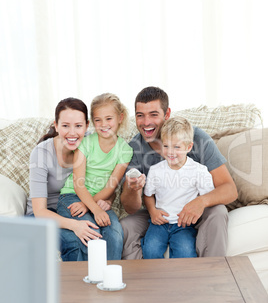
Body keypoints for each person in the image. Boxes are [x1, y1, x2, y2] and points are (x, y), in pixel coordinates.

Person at [120, 86, 238, 259]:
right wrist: (133, 189)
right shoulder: (134, 148)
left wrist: (201, 202)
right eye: (140, 115)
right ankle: (143, 280)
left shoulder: (195, 138)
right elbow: (131, 208)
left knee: (218, 212)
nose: (146, 122)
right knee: (125, 226)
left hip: (193, 209)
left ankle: (213, 276)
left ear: (167, 114)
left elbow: (230, 189)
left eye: (153, 114)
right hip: (160, 211)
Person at [57, 93, 133, 261]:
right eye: (98, 120)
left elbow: (111, 186)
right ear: (92, 121)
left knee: (114, 234)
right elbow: (78, 184)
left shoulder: (125, 150)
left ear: (120, 118)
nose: (103, 124)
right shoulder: (85, 143)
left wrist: (92, 206)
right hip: (72, 197)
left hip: (98, 200)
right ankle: (86, 281)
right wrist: (93, 208)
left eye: (108, 119)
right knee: (91, 232)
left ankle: (109, 279)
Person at [26, 97, 103, 259]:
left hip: (72, 209)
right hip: (43, 215)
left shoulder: (91, 146)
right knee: (74, 242)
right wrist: (75, 226)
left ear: (87, 126)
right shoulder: (41, 154)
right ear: (56, 125)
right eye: (65, 126)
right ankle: (74, 284)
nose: (72, 133)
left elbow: (105, 179)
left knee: (97, 237)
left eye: (78, 126)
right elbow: (39, 211)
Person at [142, 116, 215, 259]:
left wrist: (196, 211)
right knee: (150, 250)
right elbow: (148, 194)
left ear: (188, 147)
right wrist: (152, 211)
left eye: (177, 147)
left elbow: (208, 196)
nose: (170, 152)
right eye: (166, 146)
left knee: (186, 253)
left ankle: (182, 281)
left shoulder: (198, 171)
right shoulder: (156, 170)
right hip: (160, 223)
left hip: (184, 225)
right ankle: (157, 279)